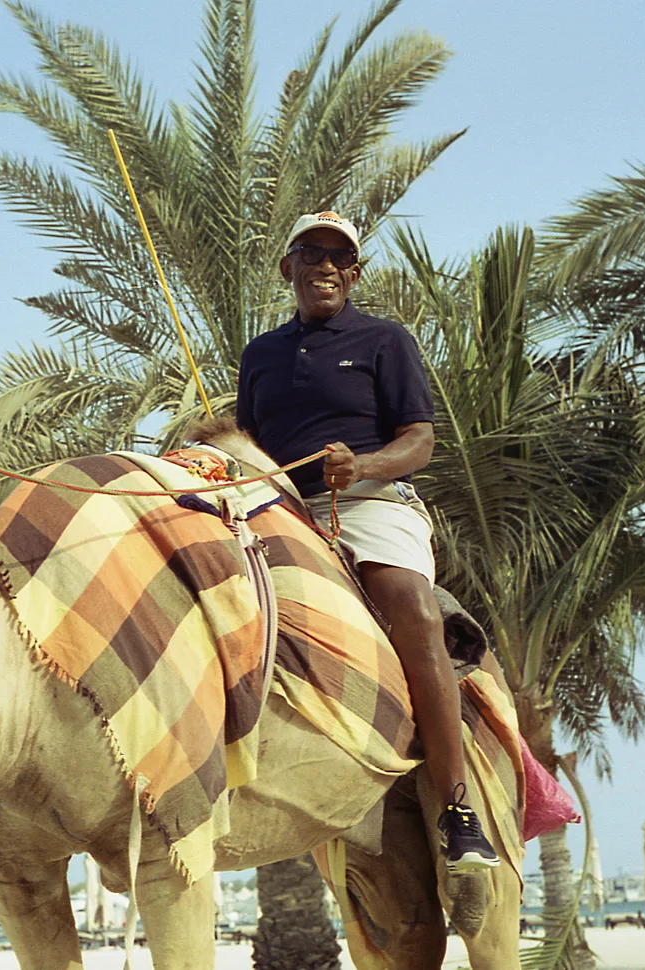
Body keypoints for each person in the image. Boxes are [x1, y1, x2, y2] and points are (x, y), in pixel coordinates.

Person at [236, 210, 498, 875]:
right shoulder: (259, 355)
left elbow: (420, 439)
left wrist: (365, 466)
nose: (325, 265)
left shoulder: (384, 340)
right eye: (310, 253)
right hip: (277, 509)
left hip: (370, 503)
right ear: (287, 267)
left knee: (410, 608)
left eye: (338, 258)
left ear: (354, 275)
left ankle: (459, 808)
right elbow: (250, 446)